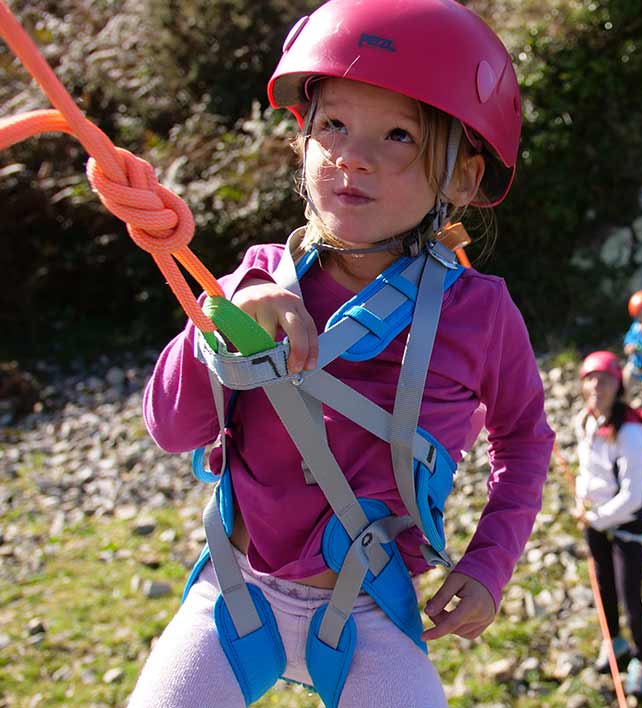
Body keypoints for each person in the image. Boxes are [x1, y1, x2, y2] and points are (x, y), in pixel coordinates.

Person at [130, 1, 553, 705]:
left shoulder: (481, 313)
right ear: (303, 140)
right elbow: (172, 430)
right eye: (333, 125)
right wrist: (220, 321)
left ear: (463, 182)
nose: (353, 155)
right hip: (236, 593)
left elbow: (524, 439)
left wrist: (488, 564)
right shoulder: (253, 281)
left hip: (370, 610)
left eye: (397, 135)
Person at [573, 351, 642, 699]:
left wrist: (595, 517)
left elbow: (633, 494)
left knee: (631, 595)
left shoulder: (630, 431)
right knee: (603, 586)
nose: (597, 387)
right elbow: (587, 469)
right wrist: (580, 500)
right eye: (591, 379)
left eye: (605, 380)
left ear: (618, 386)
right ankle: (613, 642)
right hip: (594, 517)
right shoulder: (585, 421)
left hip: (624, 523)